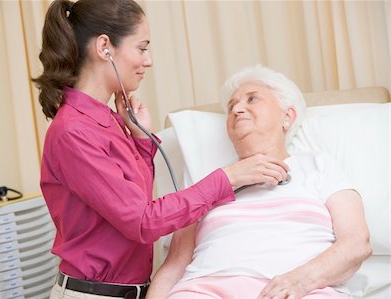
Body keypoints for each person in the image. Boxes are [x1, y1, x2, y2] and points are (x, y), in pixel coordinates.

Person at [33, 1, 290, 298]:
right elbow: (143, 222)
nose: (149, 60)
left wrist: (141, 139)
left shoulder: (108, 120)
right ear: (105, 47)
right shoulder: (73, 132)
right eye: (142, 48)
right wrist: (228, 177)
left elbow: (135, 200)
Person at [146, 65, 372, 299]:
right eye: (231, 106)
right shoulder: (209, 183)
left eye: (252, 99)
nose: (237, 110)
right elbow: (174, 266)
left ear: (287, 116)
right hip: (205, 290)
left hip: (302, 289)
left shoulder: (318, 165)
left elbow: (356, 242)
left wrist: (297, 282)